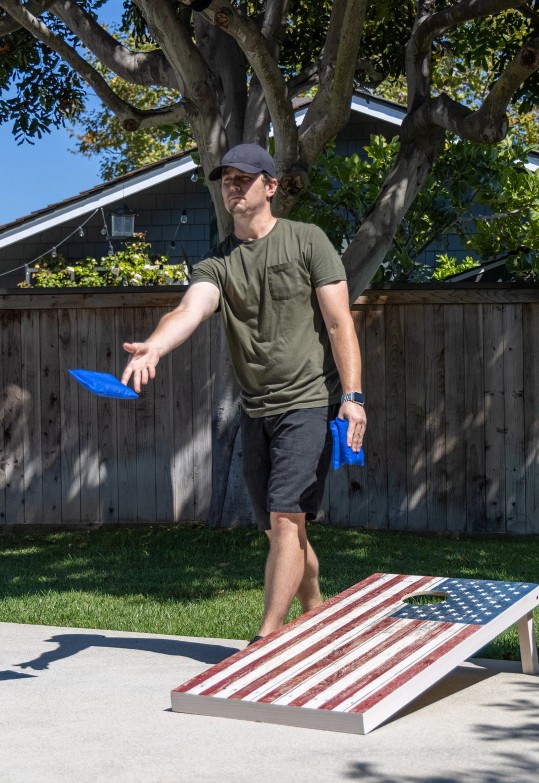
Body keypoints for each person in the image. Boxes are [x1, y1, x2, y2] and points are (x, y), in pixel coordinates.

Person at [121, 143, 367, 642]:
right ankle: (318, 610)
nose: (232, 186)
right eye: (226, 179)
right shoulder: (220, 260)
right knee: (283, 529)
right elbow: (189, 310)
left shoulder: (306, 241)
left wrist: (354, 398)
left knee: (285, 518)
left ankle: (266, 638)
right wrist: (156, 347)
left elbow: (340, 323)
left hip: (308, 403)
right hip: (256, 409)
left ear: (270, 186)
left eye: (243, 178)